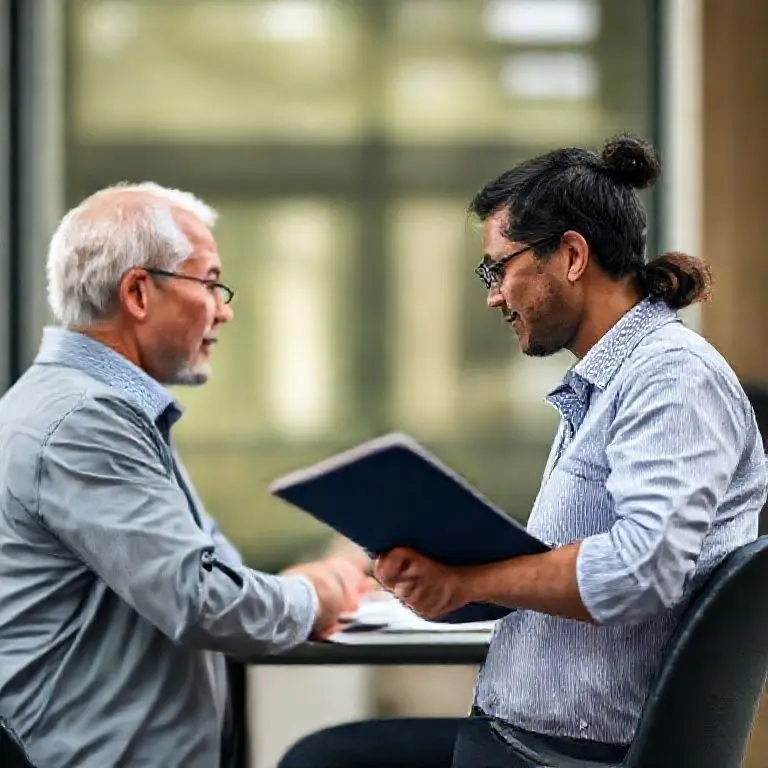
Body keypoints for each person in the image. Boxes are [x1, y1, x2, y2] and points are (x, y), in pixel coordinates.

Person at [277, 134, 768, 767]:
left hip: (560, 758)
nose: (492, 295)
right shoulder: (609, 381)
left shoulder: (673, 377)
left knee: (323, 762)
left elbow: (638, 570)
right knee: (327, 756)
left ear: (570, 255)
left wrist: (469, 578)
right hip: (530, 743)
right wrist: (449, 586)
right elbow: (579, 572)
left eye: (498, 268)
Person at [0, 183, 370, 768]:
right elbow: (203, 600)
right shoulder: (84, 421)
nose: (224, 308)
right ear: (139, 292)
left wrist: (292, 587)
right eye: (210, 282)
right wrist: (315, 594)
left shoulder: (101, 407)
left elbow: (202, 574)